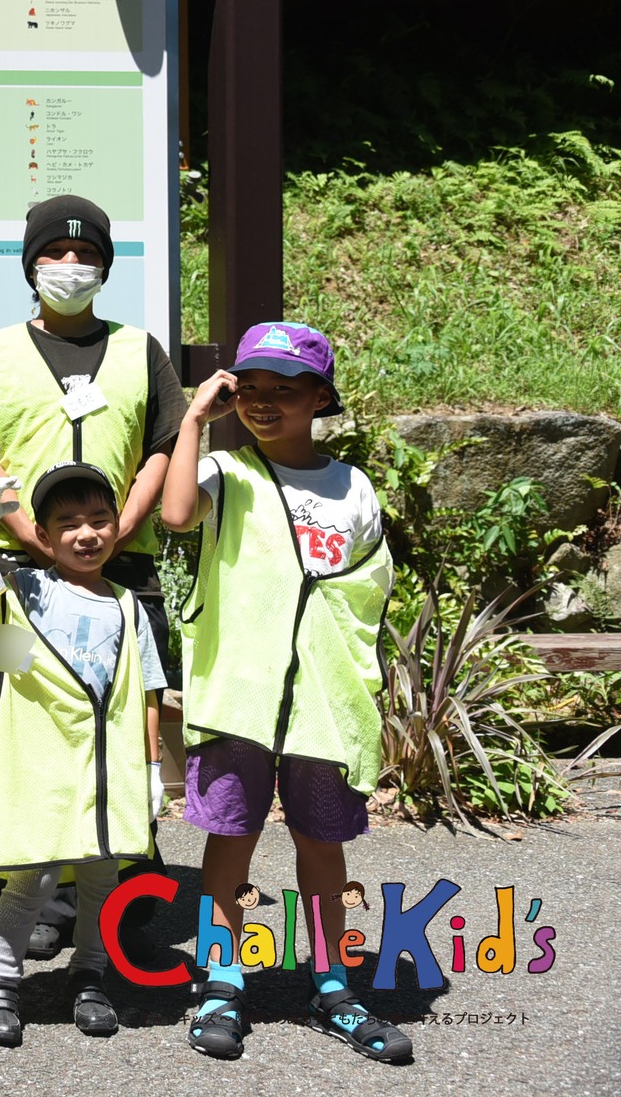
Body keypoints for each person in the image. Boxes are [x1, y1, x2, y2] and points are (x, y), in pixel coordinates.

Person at [160, 321, 410, 1065]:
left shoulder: (352, 486)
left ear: (321, 398)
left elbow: (365, 594)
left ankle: (331, 979)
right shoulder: (225, 473)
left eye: (285, 389)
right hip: (241, 692)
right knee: (229, 839)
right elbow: (175, 515)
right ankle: (220, 977)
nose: (265, 402)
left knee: (322, 842)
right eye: (251, 388)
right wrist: (194, 421)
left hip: (322, 703)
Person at [0, 192, 185, 959]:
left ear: (107, 267)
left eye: (86, 256)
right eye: (55, 254)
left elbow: (160, 445)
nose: (71, 266)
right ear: (30, 264)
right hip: (15, 571)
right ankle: (25, 886)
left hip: (122, 562)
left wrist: (121, 523)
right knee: (10, 722)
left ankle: (115, 887)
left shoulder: (140, 348)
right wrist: (28, 532)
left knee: (122, 711)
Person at [0, 466, 164, 1046]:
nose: (86, 534)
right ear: (42, 535)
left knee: (103, 874)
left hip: (105, 769)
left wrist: (151, 770)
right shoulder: (24, 591)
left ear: (119, 528)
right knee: (36, 873)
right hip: (43, 762)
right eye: (67, 523)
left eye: (99, 519)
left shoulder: (127, 604)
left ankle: (89, 975)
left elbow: (146, 690)